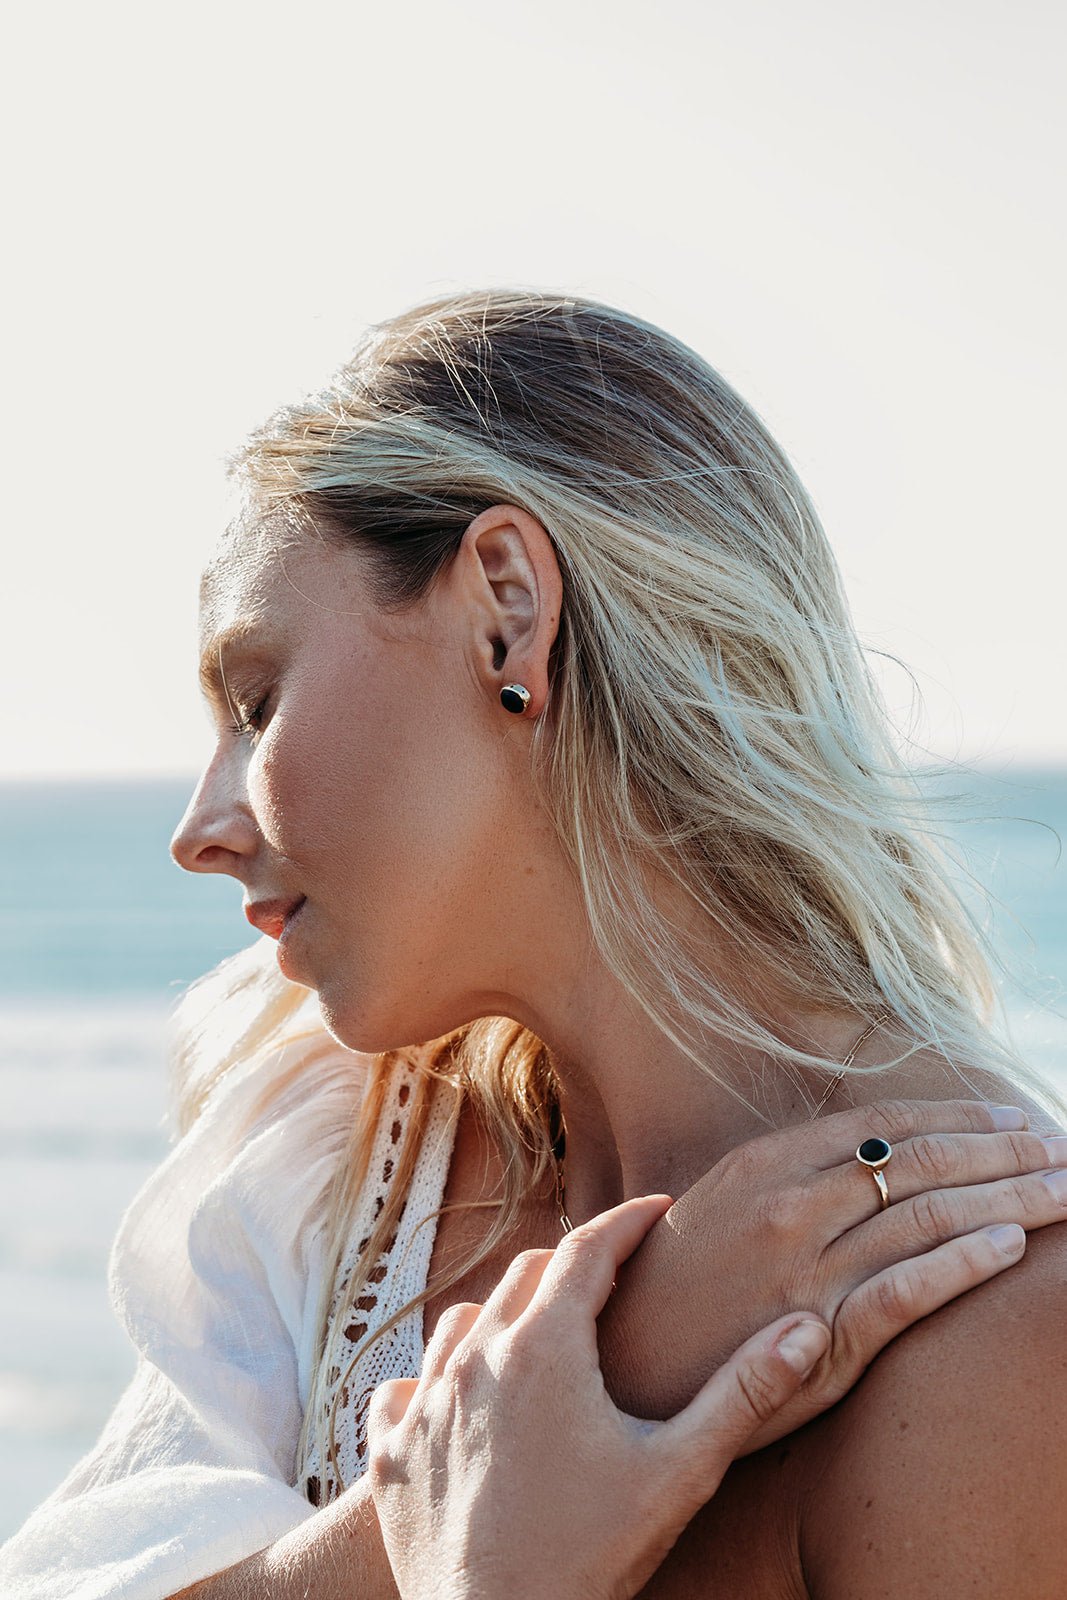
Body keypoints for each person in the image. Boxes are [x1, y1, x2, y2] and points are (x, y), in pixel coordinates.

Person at [1, 289, 1063, 1600]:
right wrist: (575, 1386)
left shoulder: (994, 1318)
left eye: (258, 700)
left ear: (508, 612)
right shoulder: (348, 1155)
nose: (199, 829)